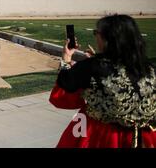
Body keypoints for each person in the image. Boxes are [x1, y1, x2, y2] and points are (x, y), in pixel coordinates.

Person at [50, 14, 156, 148]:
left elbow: (61, 96)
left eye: (96, 33)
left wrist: (66, 58)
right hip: (145, 138)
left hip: (100, 136)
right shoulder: (151, 69)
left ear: (107, 39)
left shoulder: (90, 67)